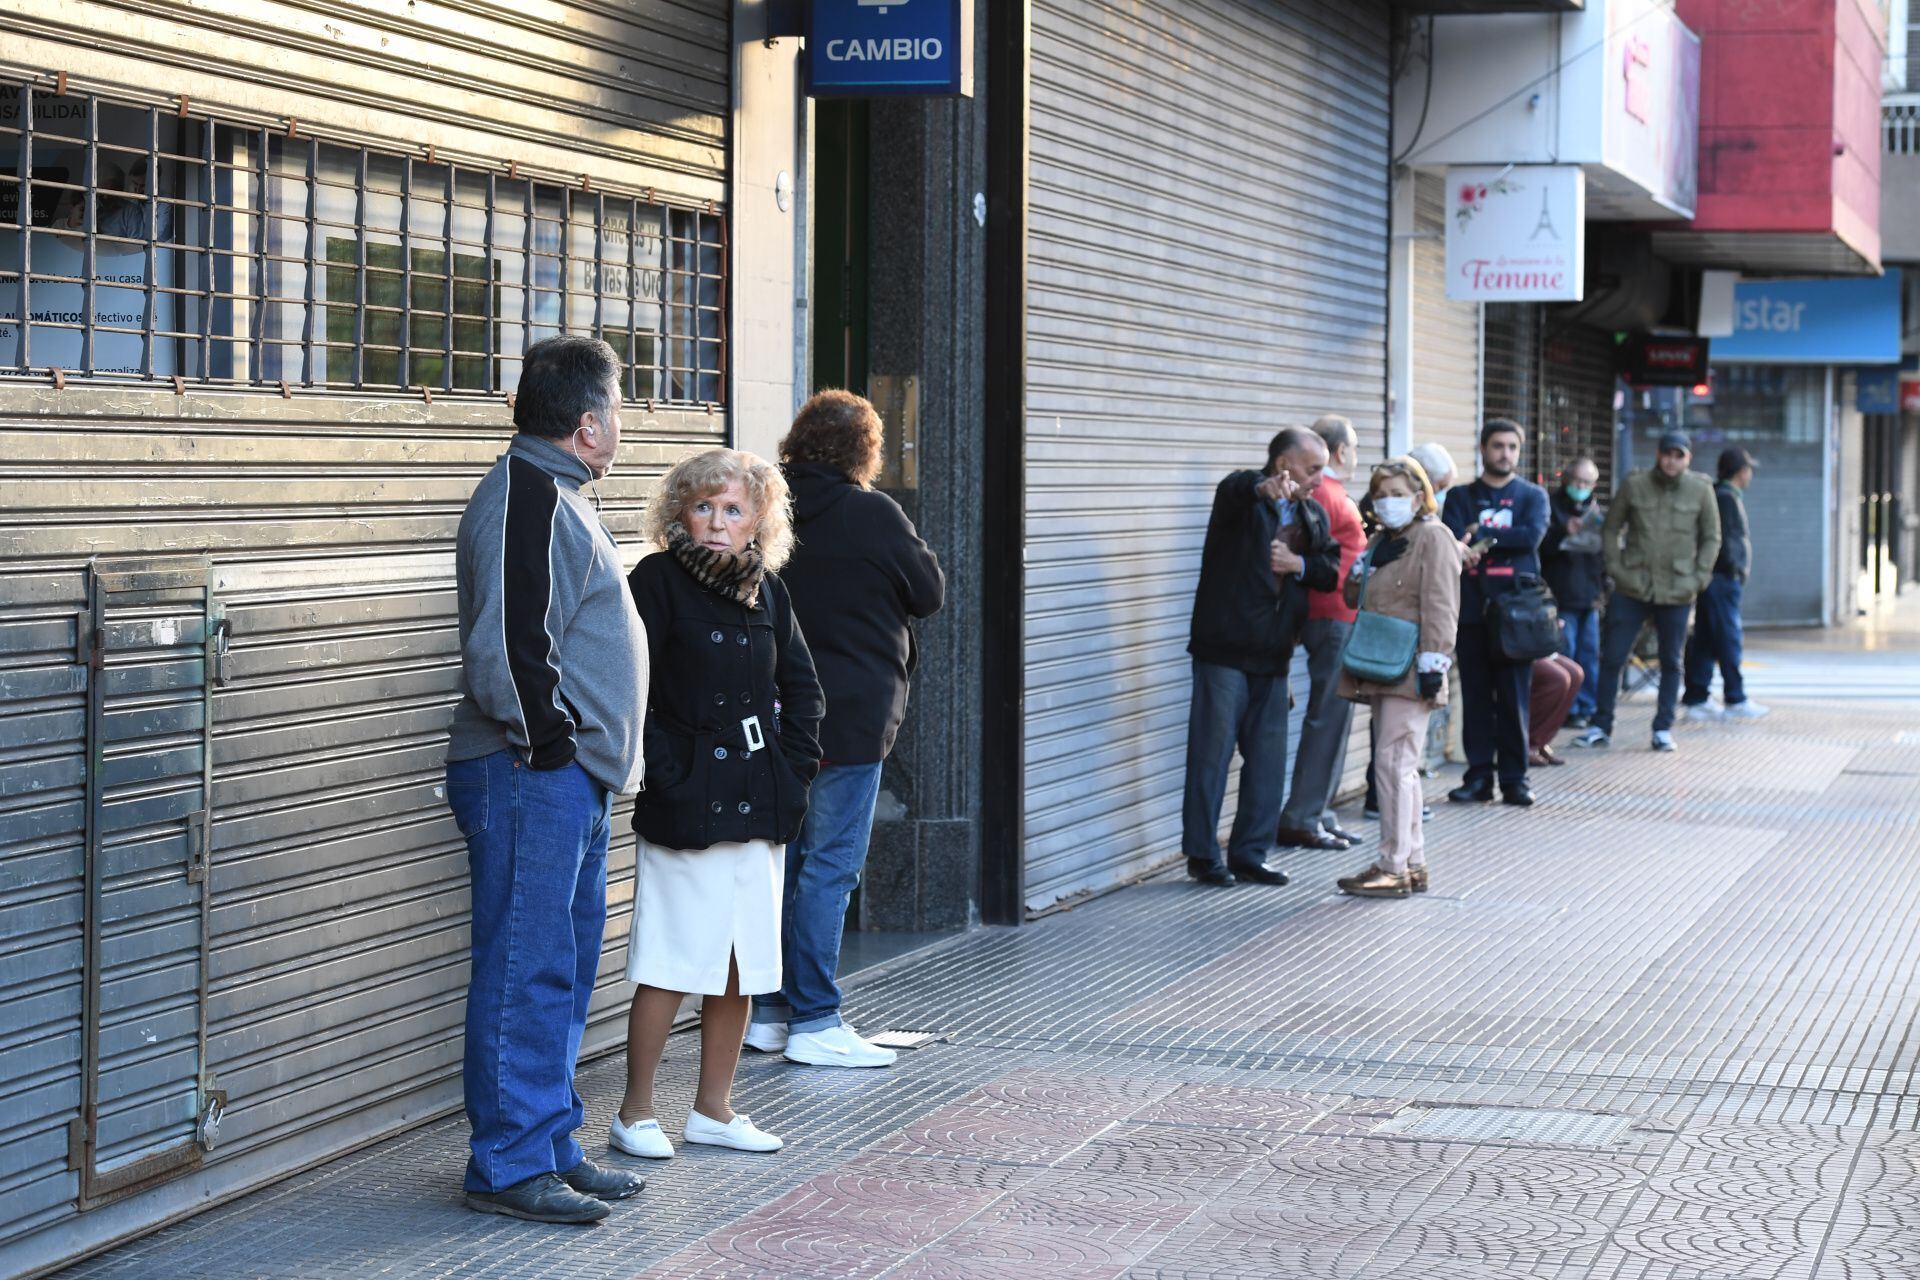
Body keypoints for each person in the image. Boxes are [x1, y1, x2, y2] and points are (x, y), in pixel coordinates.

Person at [445, 335, 650, 1223]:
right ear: (588, 424)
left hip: (566, 780)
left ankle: (550, 1146)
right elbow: (511, 647)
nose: (622, 425)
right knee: (525, 971)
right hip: (531, 772)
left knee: (557, 969)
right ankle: (508, 1165)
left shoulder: (558, 493)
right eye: (619, 409)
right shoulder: (526, 495)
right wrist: (555, 748)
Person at [612, 448, 824, 1160]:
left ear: (758, 519)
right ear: (679, 511)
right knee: (670, 960)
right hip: (686, 806)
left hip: (758, 801)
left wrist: (792, 773)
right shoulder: (655, 581)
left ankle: (714, 1109)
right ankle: (635, 1113)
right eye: (703, 506)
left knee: (742, 963)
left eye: (733, 509)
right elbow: (629, 687)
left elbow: (804, 692)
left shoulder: (770, 590)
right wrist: (668, 771)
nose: (716, 521)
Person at [743, 391, 945, 1069]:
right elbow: (929, 592)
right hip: (852, 719)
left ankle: (770, 1012)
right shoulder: (872, 513)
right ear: (866, 452)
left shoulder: (768, 508)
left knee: (785, 864)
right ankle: (816, 1019)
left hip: (777, 714)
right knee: (830, 868)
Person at [1182, 427, 1339, 887]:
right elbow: (1236, 489)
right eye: (1312, 468)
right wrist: (1260, 488)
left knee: (1268, 764)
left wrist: (1299, 564)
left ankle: (1250, 854)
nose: (1320, 478)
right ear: (1283, 464)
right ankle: (1203, 855)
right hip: (1225, 651)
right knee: (1211, 757)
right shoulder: (1242, 499)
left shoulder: (1313, 514)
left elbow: (1329, 570)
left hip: (1274, 656)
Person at [1335, 457, 1459, 898]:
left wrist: (1434, 665)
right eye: (1381, 495)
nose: (1388, 502)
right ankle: (1412, 862)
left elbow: (1442, 605)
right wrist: (1364, 566)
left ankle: (1392, 866)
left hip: (1412, 665)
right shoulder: (1380, 540)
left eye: (1397, 494)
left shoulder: (1433, 536)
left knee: (1393, 765)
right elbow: (1352, 596)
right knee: (1398, 765)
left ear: (1420, 496)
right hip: (1381, 663)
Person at [1577, 429, 1720, 753]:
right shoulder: (1635, 484)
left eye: (1678, 455)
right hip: (1633, 585)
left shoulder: (1701, 489)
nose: (1671, 461)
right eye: (1667, 454)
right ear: (1658, 454)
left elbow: (1712, 537)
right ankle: (1601, 724)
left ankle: (1663, 728)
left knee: (1671, 661)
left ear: (1688, 458)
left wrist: (1698, 578)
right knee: (1613, 657)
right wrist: (1616, 568)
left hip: (1678, 588)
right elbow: (1612, 528)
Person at [1441, 419, 1549, 807]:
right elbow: (1452, 539)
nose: (1505, 454)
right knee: (1475, 698)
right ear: (1483, 449)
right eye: (1498, 446)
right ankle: (1479, 778)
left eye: (1512, 447)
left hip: (1517, 616)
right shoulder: (1460, 496)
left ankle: (1515, 780)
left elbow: (1530, 536)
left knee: (1514, 700)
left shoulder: (1533, 496)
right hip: (1471, 610)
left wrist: (1482, 537)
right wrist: (1496, 539)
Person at [1277, 415, 1369, 854]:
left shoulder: (1329, 493)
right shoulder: (1326, 494)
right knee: (1327, 718)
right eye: (1354, 448)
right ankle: (1302, 816)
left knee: (1335, 719)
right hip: (1331, 616)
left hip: (1340, 616)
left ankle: (1319, 813)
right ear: (1341, 451)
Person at [1683, 448, 1768, 721]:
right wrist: (1734, 569)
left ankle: (1698, 697)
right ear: (1741, 471)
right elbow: (1725, 540)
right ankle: (1735, 697)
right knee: (1728, 638)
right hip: (1721, 579)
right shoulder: (1725, 498)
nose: (1750, 475)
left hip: (1716, 578)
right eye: (1748, 469)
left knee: (1707, 638)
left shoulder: (1721, 495)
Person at [1540, 457, 1604, 729]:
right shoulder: (1550, 506)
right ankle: (1567, 708)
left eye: (1587, 483)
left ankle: (1586, 707)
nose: (1581, 487)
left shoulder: (1595, 511)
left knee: (1589, 654)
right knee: (1567, 653)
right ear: (1567, 479)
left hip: (1589, 594)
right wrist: (1562, 532)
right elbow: (1540, 547)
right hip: (1561, 592)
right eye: (1577, 481)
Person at [1528, 653, 1585, 767]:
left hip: (1538, 647)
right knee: (1557, 678)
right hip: (1517, 648)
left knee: (1575, 673)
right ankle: (1526, 743)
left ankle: (1541, 741)